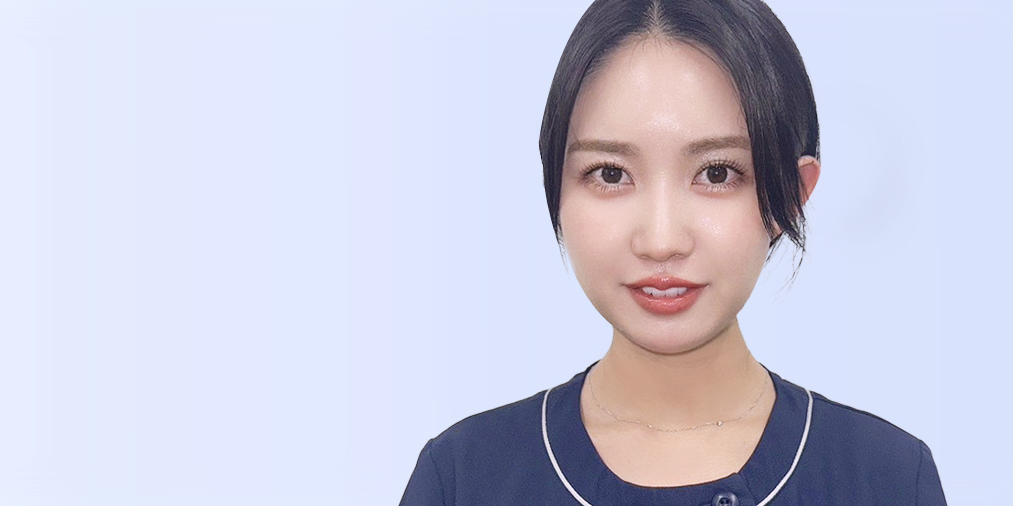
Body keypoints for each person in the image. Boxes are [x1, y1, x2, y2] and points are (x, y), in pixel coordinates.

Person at [397, 1, 948, 505]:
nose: (661, 240)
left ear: (791, 196)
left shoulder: (889, 479)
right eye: (610, 174)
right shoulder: (463, 478)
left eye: (717, 173)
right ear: (556, 188)